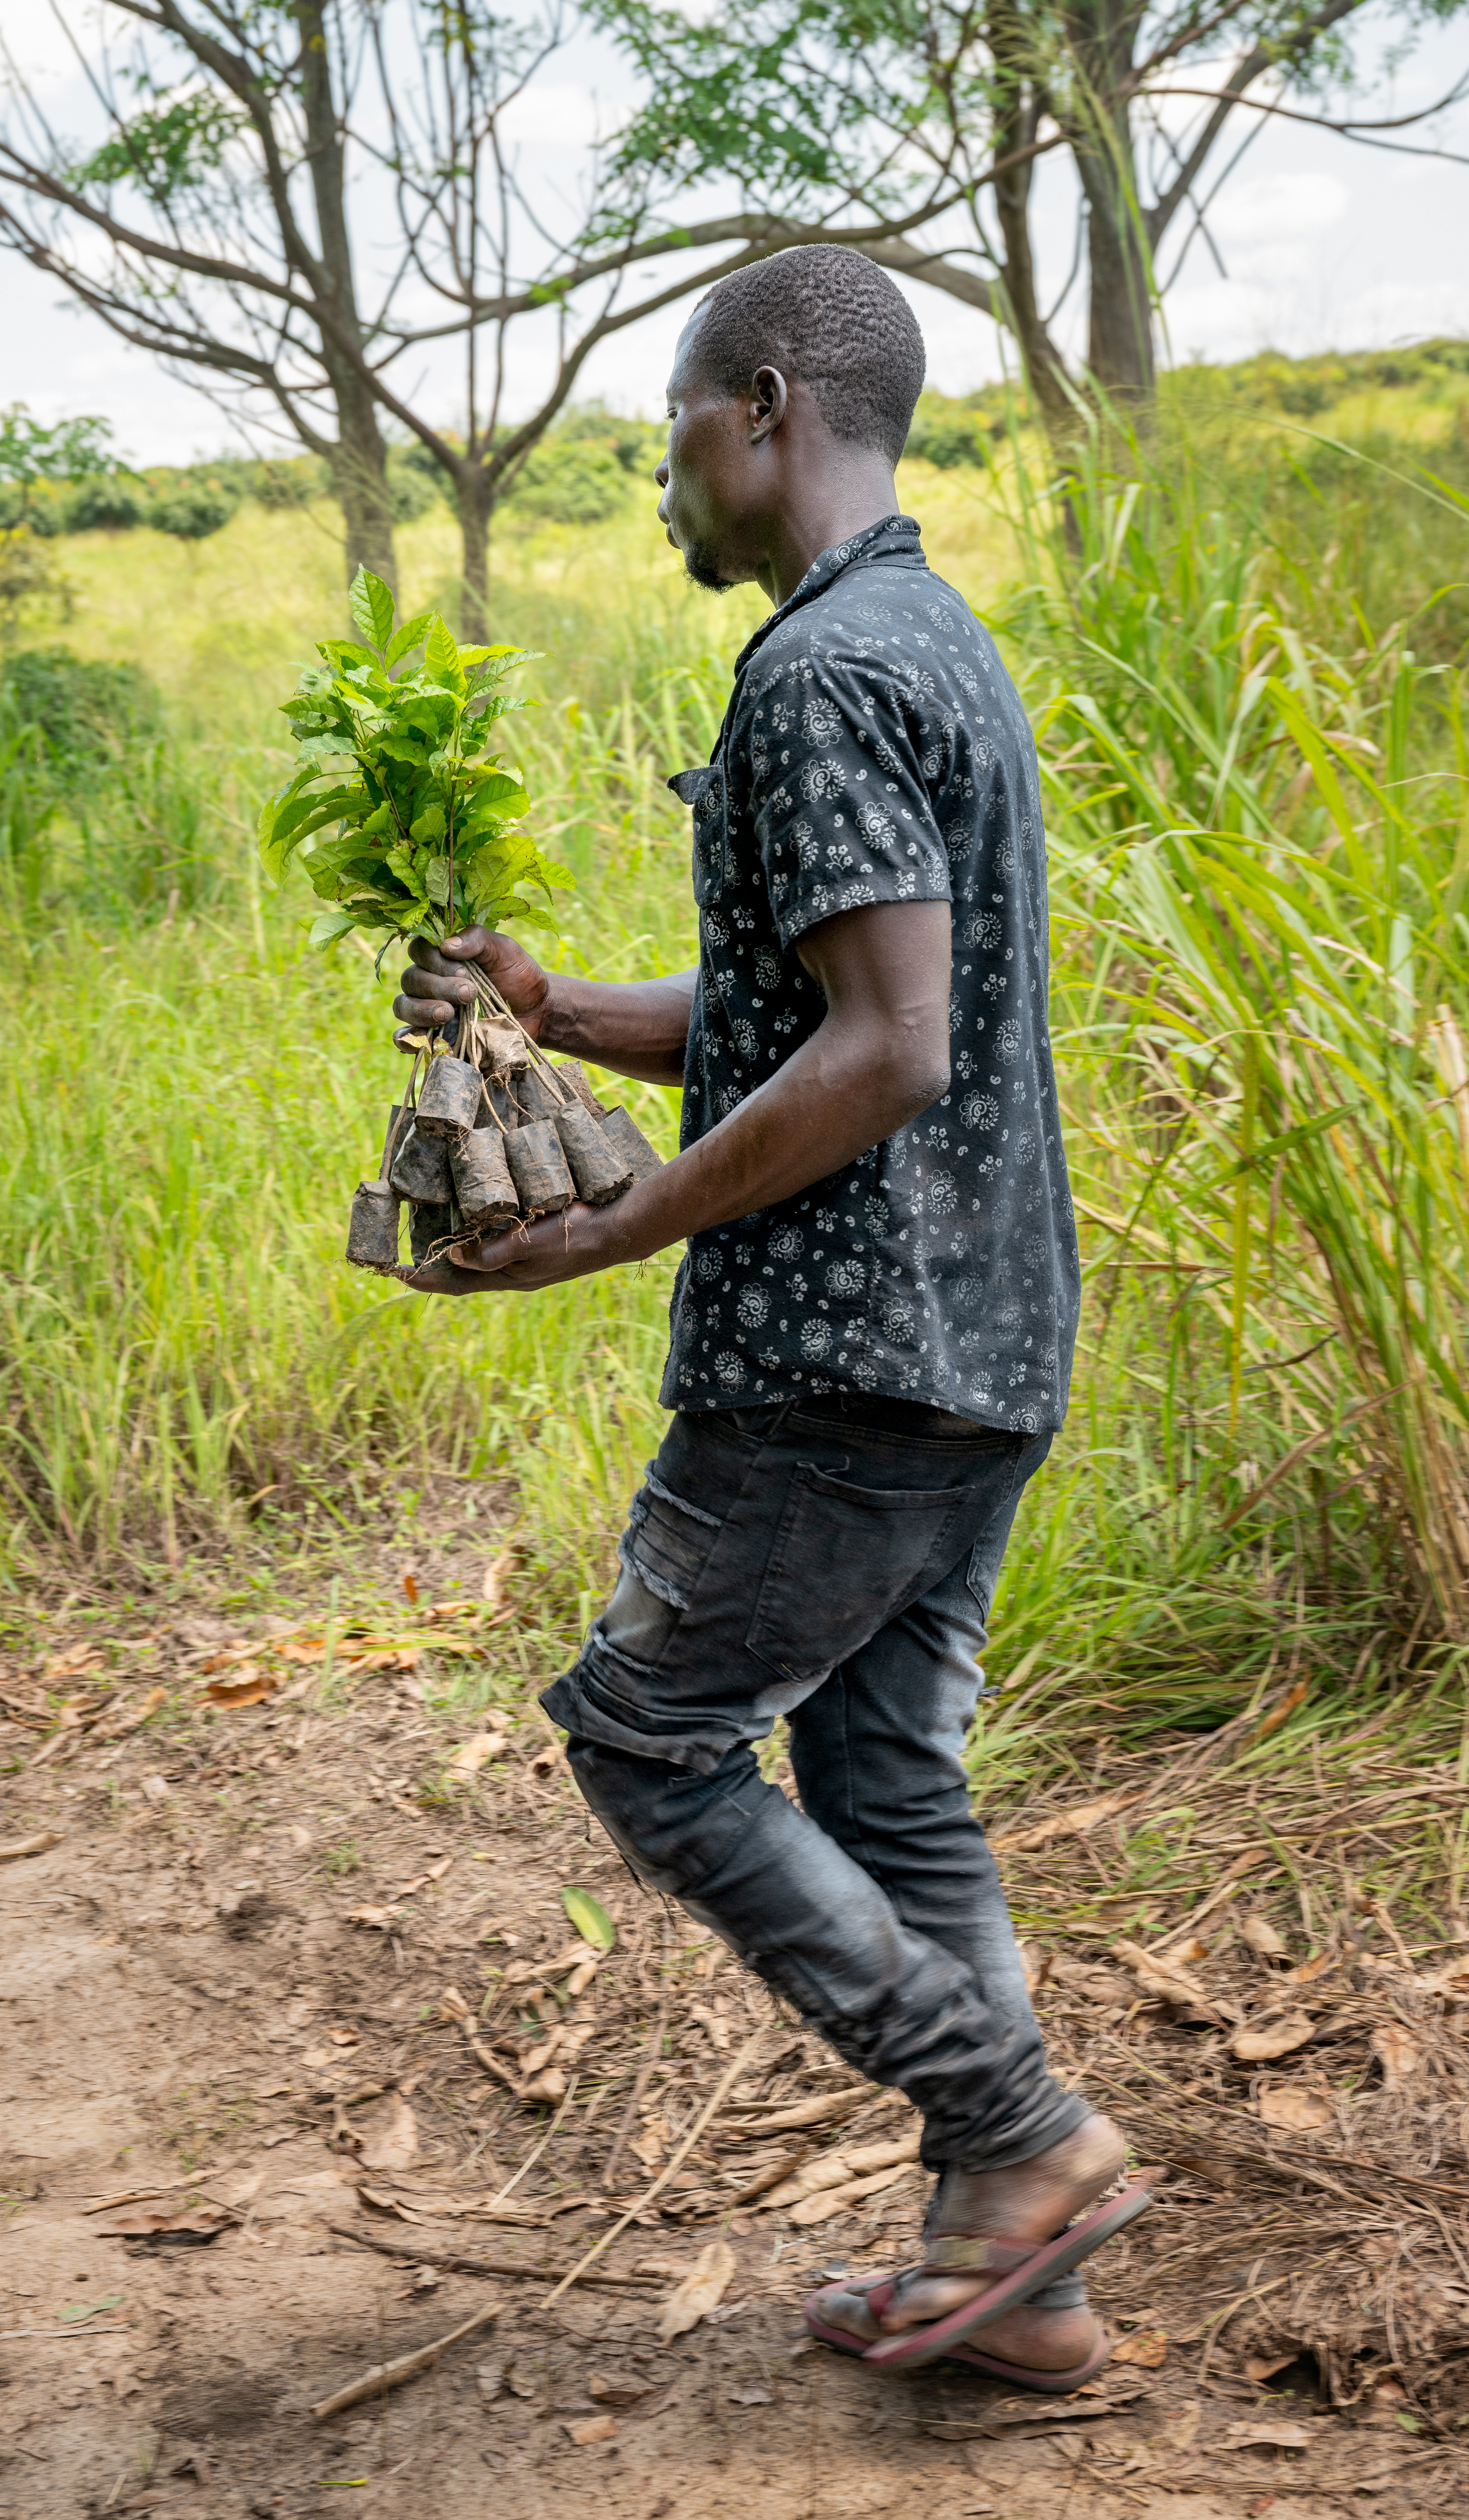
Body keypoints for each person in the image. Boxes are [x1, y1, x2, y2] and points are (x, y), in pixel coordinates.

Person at [390, 245, 1146, 2386]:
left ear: (768, 409)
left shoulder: (815, 677)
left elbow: (889, 1050)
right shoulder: (929, 639)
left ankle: (1022, 2138)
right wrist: (561, 1011)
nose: (658, 491)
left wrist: (623, 1225)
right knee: (888, 1777)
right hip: (981, 1338)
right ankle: (1027, 2284)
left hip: (838, 1356)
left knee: (646, 1736)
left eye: (667, 441)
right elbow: (820, 1004)